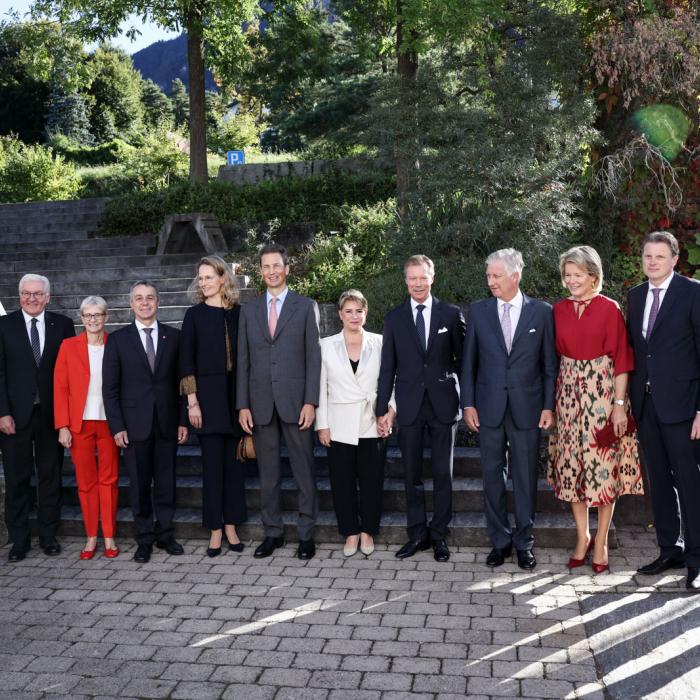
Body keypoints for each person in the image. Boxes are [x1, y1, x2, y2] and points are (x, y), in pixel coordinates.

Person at [548, 245, 643, 574]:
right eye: (567, 275)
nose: (571, 280)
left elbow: (622, 361)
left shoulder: (609, 308)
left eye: (578, 275)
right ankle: (582, 535)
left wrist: (619, 407)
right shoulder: (557, 310)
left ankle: (601, 540)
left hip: (603, 397)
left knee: (604, 470)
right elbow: (553, 360)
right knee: (572, 469)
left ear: (593, 276)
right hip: (568, 399)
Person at [461, 249, 557, 570]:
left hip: (527, 409)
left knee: (526, 477)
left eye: (496, 276)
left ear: (515, 276)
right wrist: (468, 403)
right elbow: (469, 364)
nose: (490, 282)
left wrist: (548, 406)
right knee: (491, 476)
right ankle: (499, 542)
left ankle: (524, 543)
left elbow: (548, 367)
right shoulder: (478, 312)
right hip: (487, 408)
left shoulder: (542, 313)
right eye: (488, 276)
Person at [377, 255, 465, 563]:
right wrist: (381, 408)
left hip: (443, 405)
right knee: (411, 474)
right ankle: (417, 534)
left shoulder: (451, 314)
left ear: (432, 277)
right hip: (409, 406)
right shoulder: (395, 318)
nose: (417, 283)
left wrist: (468, 403)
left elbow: (463, 362)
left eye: (422, 277)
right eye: (412, 278)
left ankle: (440, 534)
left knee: (443, 473)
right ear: (405, 280)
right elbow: (388, 367)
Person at [237, 244, 321, 560]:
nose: (272, 271)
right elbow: (244, 361)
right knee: (268, 475)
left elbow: (314, 359)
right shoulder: (249, 311)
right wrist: (242, 404)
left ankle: (306, 535)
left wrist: (311, 401)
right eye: (266, 267)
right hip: (260, 404)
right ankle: (272, 533)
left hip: (296, 402)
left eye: (277, 266)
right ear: (260, 272)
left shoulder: (305, 306)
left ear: (287, 269)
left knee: (303, 472)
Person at [627, 231, 700, 590]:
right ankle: (670, 548)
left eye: (659, 256)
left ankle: (697, 561)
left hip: (684, 406)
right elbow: (641, 353)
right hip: (647, 405)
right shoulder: (636, 296)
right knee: (658, 480)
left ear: (674, 260)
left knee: (690, 483)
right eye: (647, 256)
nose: (652, 262)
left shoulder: (693, 292)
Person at [102, 280, 188, 563]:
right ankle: (145, 539)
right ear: (131, 304)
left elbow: (181, 383)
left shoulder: (173, 337)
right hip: (133, 424)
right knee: (139, 485)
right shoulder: (117, 340)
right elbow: (110, 389)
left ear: (158, 302)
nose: (145, 303)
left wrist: (183, 420)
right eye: (139, 298)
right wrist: (117, 426)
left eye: (150, 297)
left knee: (166, 481)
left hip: (167, 422)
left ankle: (165, 533)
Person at [0, 274, 75, 562]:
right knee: (17, 479)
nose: (31, 298)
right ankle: (19, 541)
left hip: (51, 416)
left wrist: (66, 418)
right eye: (26, 293)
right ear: (19, 296)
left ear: (48, 297)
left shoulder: (63, 325)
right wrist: (2, 412)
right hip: (13, 418)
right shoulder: (4, 326)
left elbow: (69, 373)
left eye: (37, 294)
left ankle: (48, 536)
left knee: (50, 477)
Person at [316, 289, 394, 557]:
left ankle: (367, 531)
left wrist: (389, 414)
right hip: (338, 423)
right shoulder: (325, 345)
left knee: (372, 480)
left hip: (372, 421)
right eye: (348, 311)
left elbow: (391, 382)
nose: (354, 316)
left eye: (358, 311)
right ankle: (350, 532)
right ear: (339, 314)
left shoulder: (381, 343)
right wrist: (322, 425)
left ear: (366, 312)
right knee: (342, 481)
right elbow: (321, 388)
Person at [180, 256, 247, 558]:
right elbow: (186, 362)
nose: (204, 282)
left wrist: (248, 404)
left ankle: (232, 525)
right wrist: (192, 402)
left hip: (236, 401)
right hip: (206, 401)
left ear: (223, 279)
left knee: (234, 469)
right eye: (200, 277)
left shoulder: (240, 314)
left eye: (209, 276)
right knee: (212, 469)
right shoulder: (193, 315)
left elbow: (248, 361)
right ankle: (215, 529)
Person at [54, 296, 120, 560]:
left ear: (107, 317)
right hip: (79, 423)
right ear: (81, 318)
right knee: (85, 483)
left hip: (109, 422)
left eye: (98, 315)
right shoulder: (68, 346)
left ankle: (110, 536)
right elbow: (60, 388)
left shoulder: (115, 344)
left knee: (109, 480)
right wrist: (62, 426)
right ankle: (91, 536)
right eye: (88, 315)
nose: (93, 320)